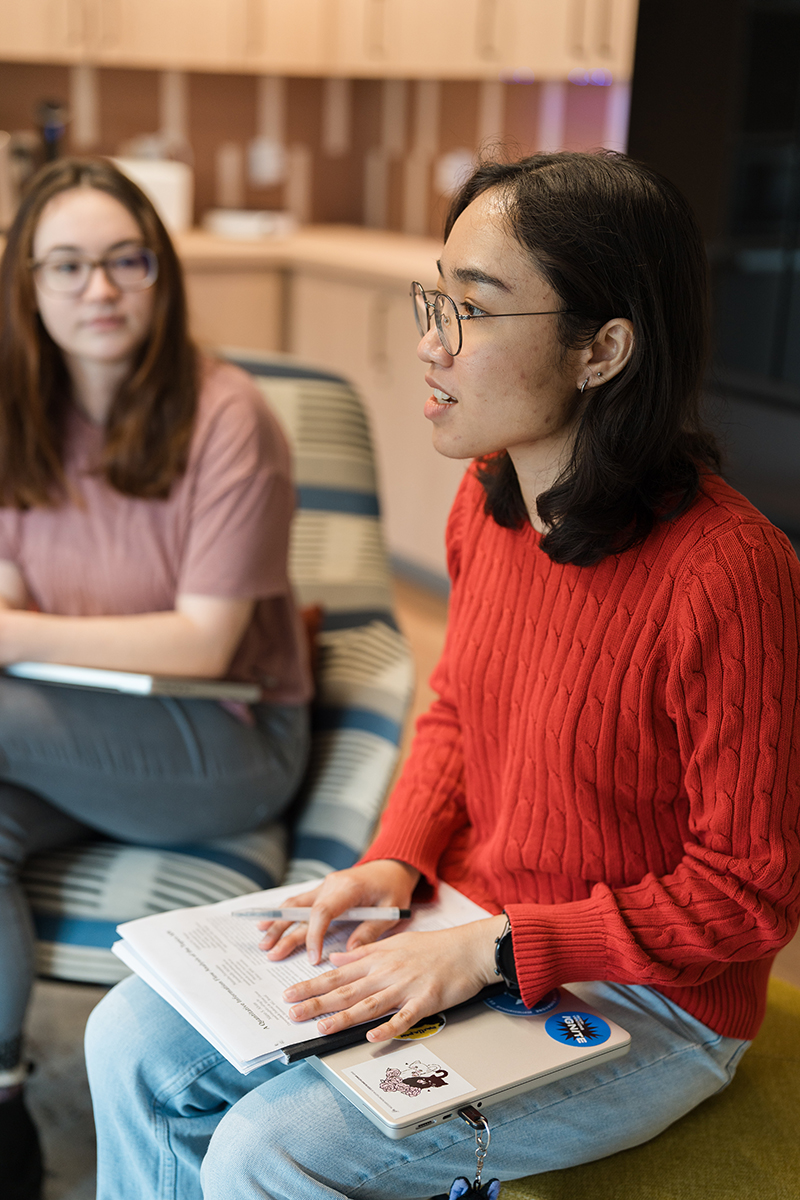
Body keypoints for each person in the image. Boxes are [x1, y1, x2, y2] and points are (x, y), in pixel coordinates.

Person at [85, 151, 800, 1200]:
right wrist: (396, 860)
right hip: (470, 918)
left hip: (652, 999)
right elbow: (459, 713)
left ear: (601, 348)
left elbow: (746, 896)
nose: (428, 343)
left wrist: (501, 951)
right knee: (127, 1040)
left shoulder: (727, 573)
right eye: (435, 298)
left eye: (472, 309)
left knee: (264, 1151)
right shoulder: (489, 496)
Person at [0, 157, 312, 1199]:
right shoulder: (15, 419)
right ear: (28, 286)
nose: (99, 290)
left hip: (225, 739)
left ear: (161, 273)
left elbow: (202, 643)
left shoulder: (231, 419)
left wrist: (13, 633)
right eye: (69, 265)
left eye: (126, 260)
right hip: (70, 739)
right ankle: (4, 1102)